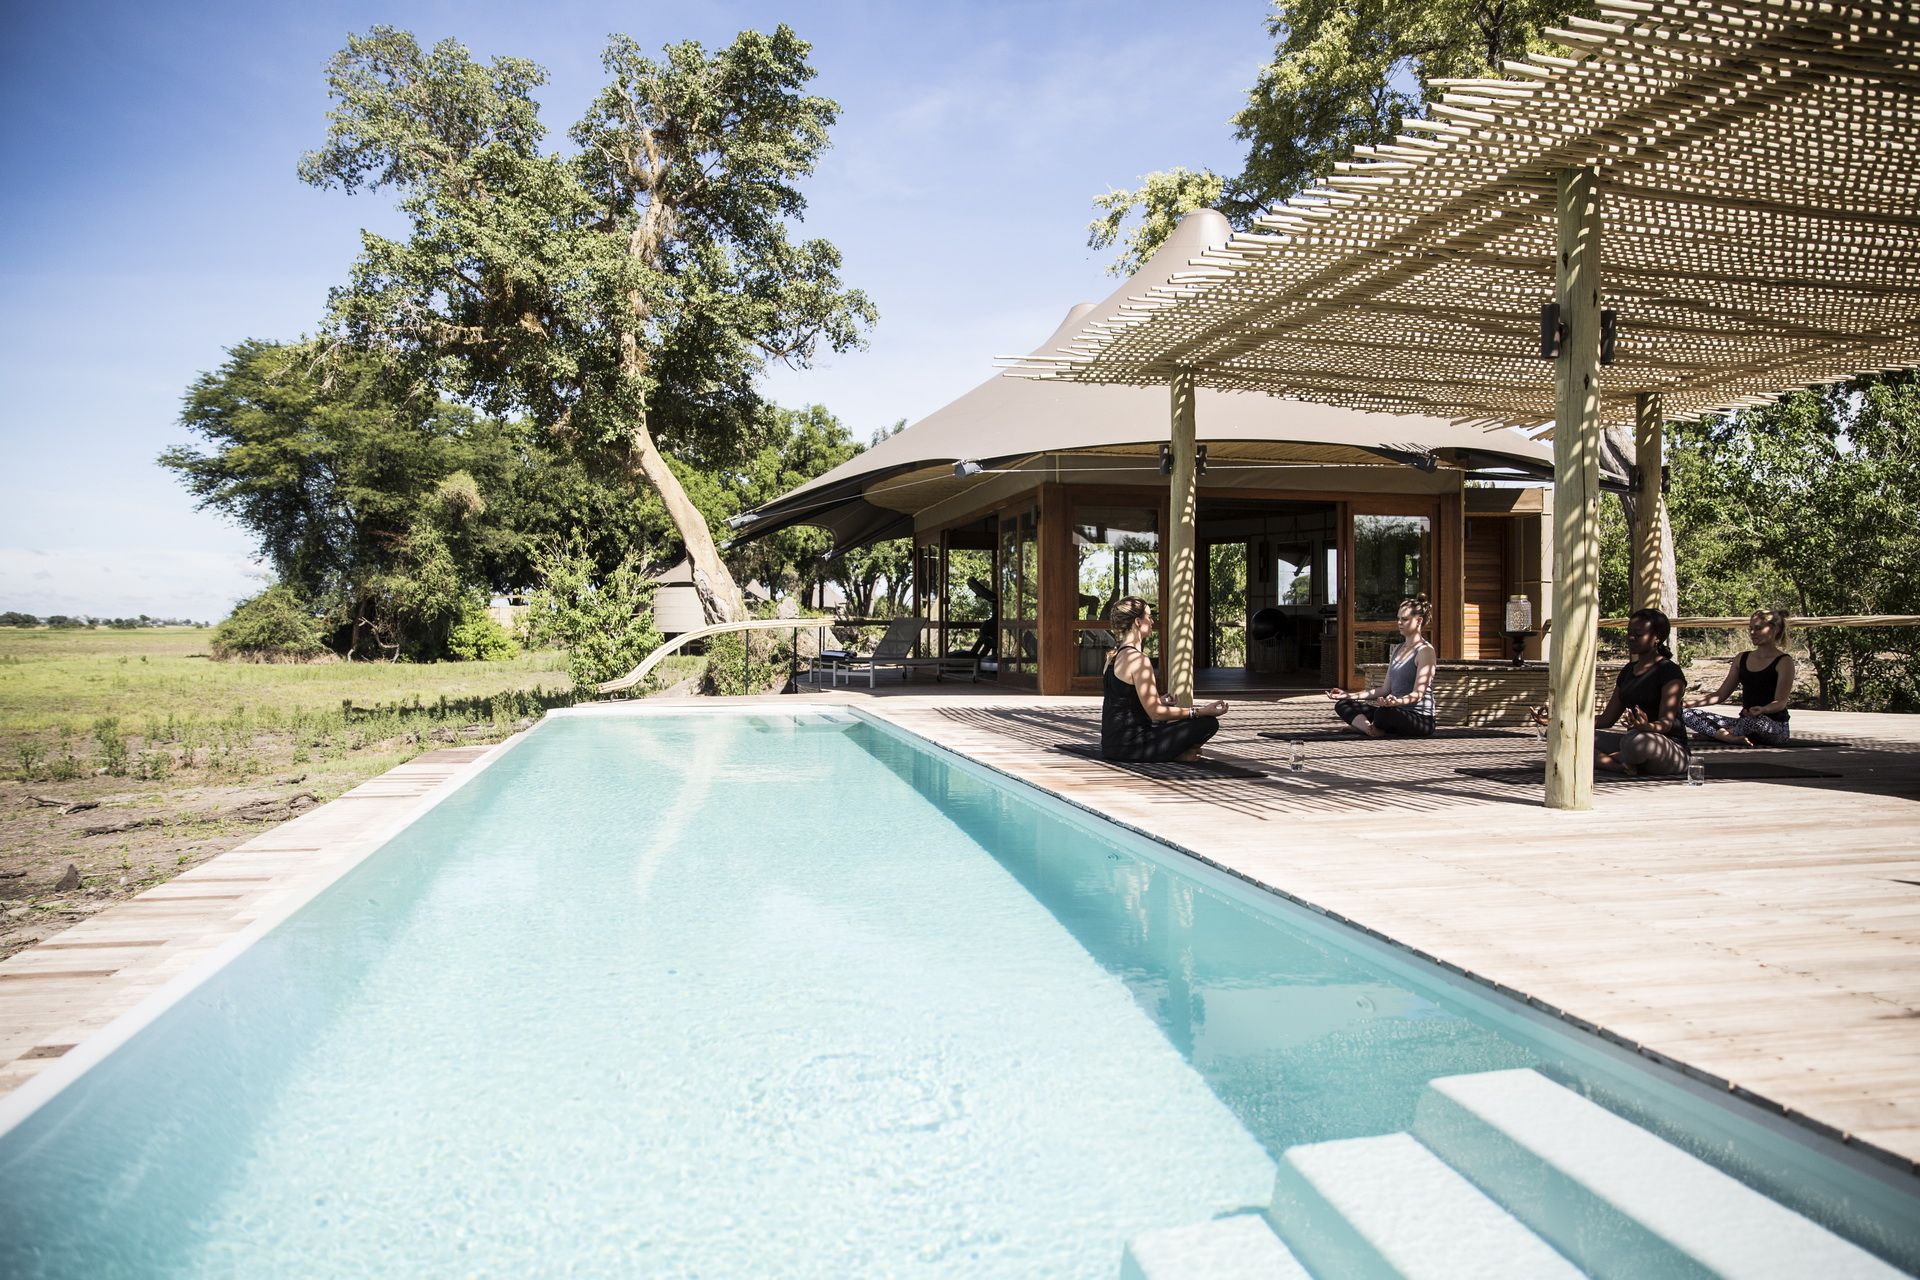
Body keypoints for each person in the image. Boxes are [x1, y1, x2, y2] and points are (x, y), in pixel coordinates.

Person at [1531, 607, 1689, 775]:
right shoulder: (1628, 671)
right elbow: (1606, 719)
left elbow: (1666, 723)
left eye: (1638, 634)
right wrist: (1560, 722)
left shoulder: (1670, 672)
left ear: (1656, 637)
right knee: (1561, 734)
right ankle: (1619, 766)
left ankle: (1605, 760)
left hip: (1667, 748)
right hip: (1631, 741)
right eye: (1629, 633)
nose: (1631, 638)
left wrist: (1646, 726)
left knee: (1636, 742)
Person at [1102, 596, 1229, 762]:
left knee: (1170, 720)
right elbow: (1155, 713)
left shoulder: (1112, 658)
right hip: (1134, 747)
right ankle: (1177, 754)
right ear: (1138, 622)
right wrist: (1199, 711)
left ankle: (1179, 753)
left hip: (1110, 746)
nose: (1152, 621)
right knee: (1208, 723)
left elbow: (1121, 701)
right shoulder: (1138, 660)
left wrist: (1158, 700)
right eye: (1149, 617)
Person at [1323, 595, 1438, 738]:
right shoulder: (1397, 649)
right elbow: (1384, 689)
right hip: (1394, 710)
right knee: (1343, 704)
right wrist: (1349, 695)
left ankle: (1366, 727)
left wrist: (1396, 702)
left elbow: (1418, 694)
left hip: (1419, 719)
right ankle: (1370, 729)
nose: (1399, 623)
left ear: (1419, 621)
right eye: (1398, 618)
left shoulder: (1425, 651)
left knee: (1383, 714)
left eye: (1404, 619)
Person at [1683, 610, 1795, 745]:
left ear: (1775, 630)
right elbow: (1720, 695)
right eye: (1750, 628)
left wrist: (1763, 710)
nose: (1752, 632)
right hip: (1742, 722)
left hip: (1772, 726)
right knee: (1685, 714)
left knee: (1755, 722)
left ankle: (1719, 734)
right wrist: (1685, 704)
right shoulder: (1741, 658)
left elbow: (1780, 702)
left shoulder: (1784, 661)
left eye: (1758, 628)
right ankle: (1727, 735)